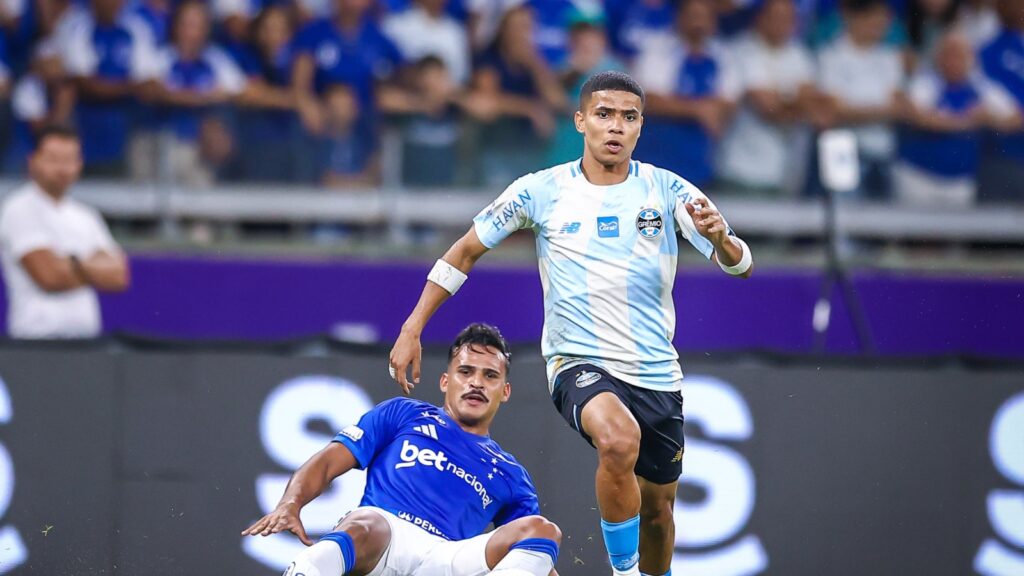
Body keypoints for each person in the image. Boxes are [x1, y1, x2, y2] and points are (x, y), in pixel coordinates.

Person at [389, 71, 753, 576]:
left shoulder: (668, 189)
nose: (616, 126)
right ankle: (623, 572)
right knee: (618, 440)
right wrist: (412, 327)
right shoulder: (540, 190)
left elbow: (741, 264)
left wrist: (722, 241)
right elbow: (465, 251)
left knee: (658, 514)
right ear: (581, 121)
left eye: (628, 117)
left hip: (655, 373)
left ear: (640, 127)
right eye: (604, 114)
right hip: (577, 362)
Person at [244, 323, 562, 576]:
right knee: (363, 524)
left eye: (490, 375)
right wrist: (290, 504)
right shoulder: (403, 414)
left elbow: (534, 561)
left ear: (505, 391)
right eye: (466, 372)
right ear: (445, 381)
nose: (476, 383)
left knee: (542, 530)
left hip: (447, 561)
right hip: (384, 540)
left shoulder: (511, 474)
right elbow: (328, 462)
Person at [0, 125, 130, 339]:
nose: (62, 168)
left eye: (69, 159)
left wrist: (71, 263)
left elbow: (118, 276)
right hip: (35, 341)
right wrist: (91, 266)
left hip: (86, 341)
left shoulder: (87, 215)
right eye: (53, 159)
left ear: (79, 164)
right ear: (33, 161)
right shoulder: (19, 208)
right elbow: (49, 277)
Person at [896, 31, 1020, 207]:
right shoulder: (926, 82)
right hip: (919, 176)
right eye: (948, 55)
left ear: (971, 59)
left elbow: (1016, 118)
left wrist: (991, 118)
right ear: (938, 58)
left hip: (961, 180)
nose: (953, 61)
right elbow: (917, 117)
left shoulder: (982, 86)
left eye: (959, 55)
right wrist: (967, 121)